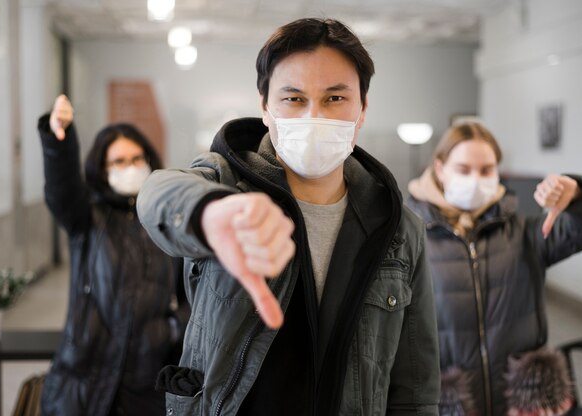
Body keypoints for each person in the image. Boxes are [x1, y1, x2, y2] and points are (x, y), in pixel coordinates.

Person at [137, 18, 440, 415]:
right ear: (265, 107)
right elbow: (156, 194)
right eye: (294, 99)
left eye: (335, 98)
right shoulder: (226, 184)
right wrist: (209, 214)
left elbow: (415, 390)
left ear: (362, 109)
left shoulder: (398, 229)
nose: (314, 116)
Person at [406, 121, 582, 416]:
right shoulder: (410, 235)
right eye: (463, 169)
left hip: (522, 399)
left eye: (486, 169)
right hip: (451, 400)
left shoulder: (522, 232)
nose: (476, 179)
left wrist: (578, 194)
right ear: (440, 169)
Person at [37, 95, 190, 416]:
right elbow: (61, 190)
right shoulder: (88, 217)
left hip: (149, 374)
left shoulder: (165, 220)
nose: (131, 167)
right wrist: (58, 141)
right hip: (87, 372)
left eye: (137, 158)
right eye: (119, 161)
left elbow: (190, 290)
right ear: (102, 168)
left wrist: (173, 328)